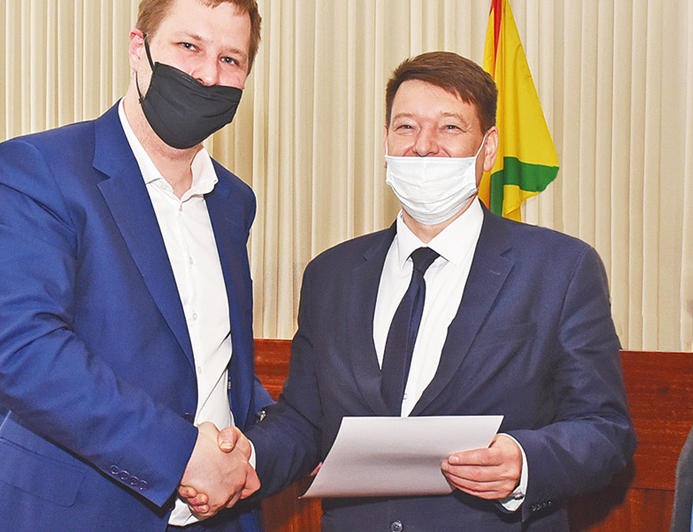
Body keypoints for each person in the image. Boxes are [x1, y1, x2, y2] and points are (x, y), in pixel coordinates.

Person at [187, 51, 637, 529]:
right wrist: (248, 458)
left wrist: (526, 461)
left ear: (488, 149)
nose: (423, 146)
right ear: (386, 141)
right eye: (406, 127)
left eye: (449, 127)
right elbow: (304, 421)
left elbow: (605, 430)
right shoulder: (330, 275)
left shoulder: (560, 269)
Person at [0, 0, 272, 531]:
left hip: (218, 515)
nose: (208, 74)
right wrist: (181, 453)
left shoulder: (233, 202)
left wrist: (271, 440)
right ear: (138, 48)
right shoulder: (36, 169)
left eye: (231, 59)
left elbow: (209, 357)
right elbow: (20, 349)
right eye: (188, 47)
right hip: (71, 514)